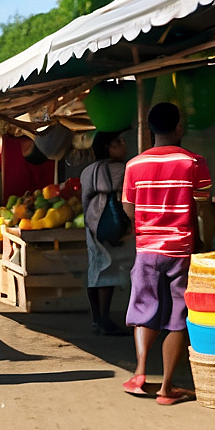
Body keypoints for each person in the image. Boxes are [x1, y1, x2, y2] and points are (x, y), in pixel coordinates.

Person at [121, 102, 212, 405]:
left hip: (146, 249)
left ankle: (140, 372)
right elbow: (203, 208)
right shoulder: (193, 162)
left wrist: (149, 223)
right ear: (178, 127)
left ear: (150, 130)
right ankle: (167, 388)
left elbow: (128, 207)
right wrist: (206, 244)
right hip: (180, 250)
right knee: (177, 316)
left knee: (145, 309)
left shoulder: (133, 165)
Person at [80, 130, 134, 336]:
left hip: (93, 225)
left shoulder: (88, 171)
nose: (123, 145)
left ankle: (97, 318)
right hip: (113, 225)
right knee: (108, 271)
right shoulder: (120, 169)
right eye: (118, 142)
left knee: (95, 269)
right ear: (107, 148)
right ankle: (104, 319)